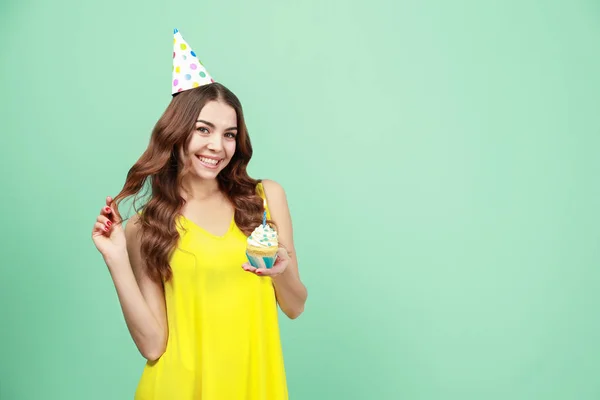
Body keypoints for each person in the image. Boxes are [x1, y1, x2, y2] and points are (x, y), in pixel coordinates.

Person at [90, 29, 307, 399]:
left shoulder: (265, 199)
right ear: (177, 133)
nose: (216, 146)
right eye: (203, 130)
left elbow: (295, 305)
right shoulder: (146, 225)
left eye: (229, 134)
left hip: (254, 384)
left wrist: (282, 270)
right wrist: (116, 258)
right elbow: (153, 345)